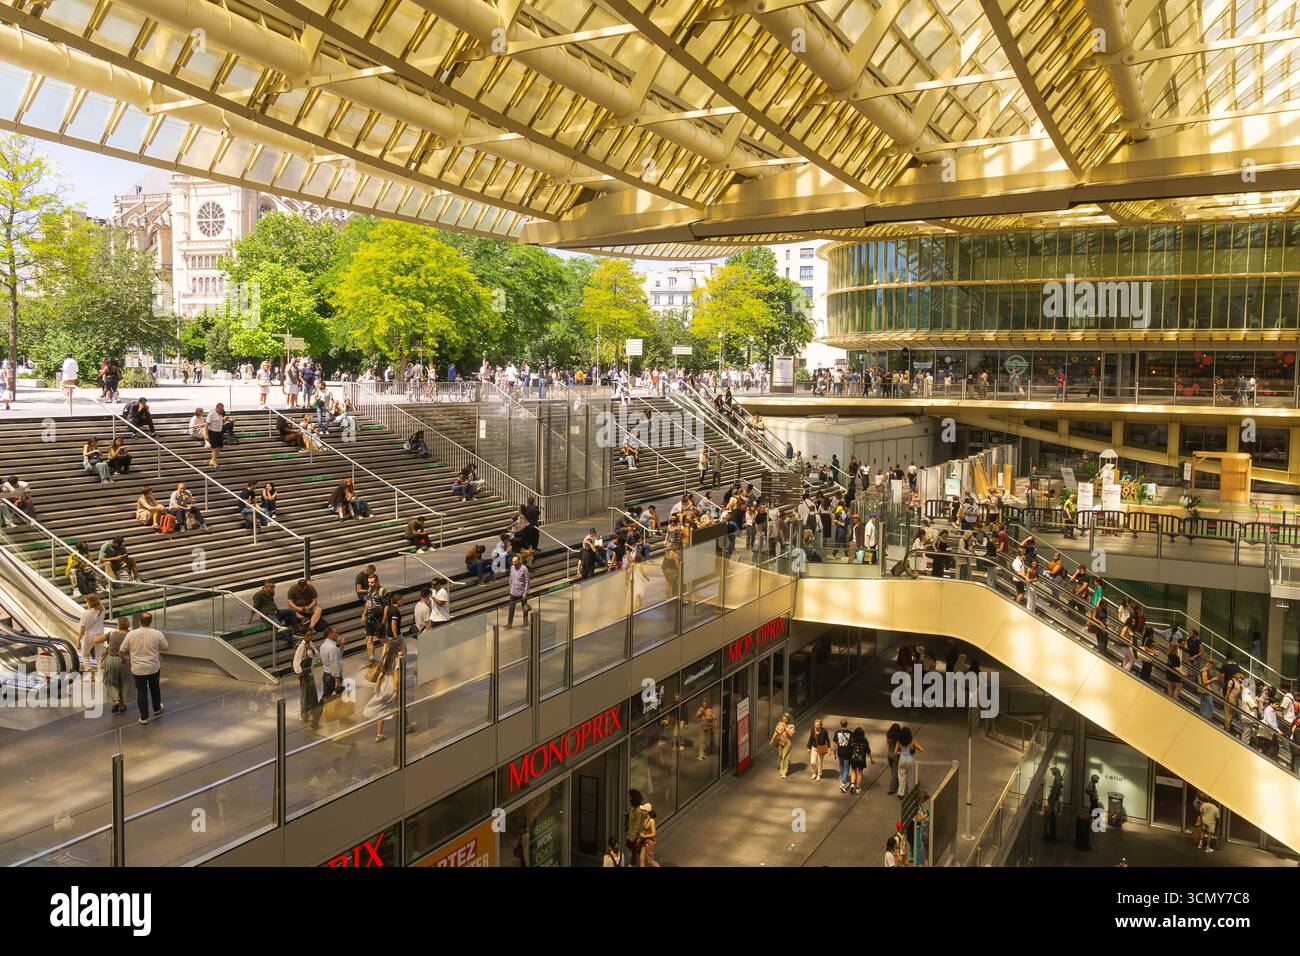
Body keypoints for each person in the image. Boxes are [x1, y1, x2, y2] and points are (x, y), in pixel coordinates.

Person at [121, 612, 167, 724]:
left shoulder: (131, 634)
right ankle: (156, 708)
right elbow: (165, 647)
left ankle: (144, 717)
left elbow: (122, 650)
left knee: (141, 692)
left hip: (137, 668)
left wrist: (124, 659)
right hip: (153, 667)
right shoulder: (157, 633)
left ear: (139, 621)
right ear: (150, 621)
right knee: (155, 688)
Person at [364, 639, 401, 742]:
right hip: (391, 684)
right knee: (401, 704)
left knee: (383, 708)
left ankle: (379, 734)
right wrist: (396, 690)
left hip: (383, 683)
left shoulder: (385, 656)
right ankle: (405, 726)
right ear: (397, 648)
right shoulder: (397, 659)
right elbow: (396, 677)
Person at [97, 616, 131, 714]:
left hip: (111, 660)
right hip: (125, 660)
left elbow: (97, 640)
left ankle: (115, 700)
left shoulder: (112, 633)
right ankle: (122, 705)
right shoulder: (130, 635)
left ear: (118, 625)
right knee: (124, 682)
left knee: (110, 681)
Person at [293, 630, 321, 728]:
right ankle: (303, 714)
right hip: (304, 673)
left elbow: (317, 654)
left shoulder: (310, 644)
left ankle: (313, 711)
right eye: (307, 635)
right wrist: (299, 673)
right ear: (304, 636)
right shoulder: (301, 646)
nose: (310, 637)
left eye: (311, 635)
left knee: (312, 692)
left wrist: (311, 649)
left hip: (310, 672)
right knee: (305, 693)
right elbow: (296, 661)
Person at [76, 594, 106, 676]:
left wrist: (78, 640)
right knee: (99, 657)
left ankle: (90, 670)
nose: (86, 604)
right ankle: (100, 674)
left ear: (90, 602)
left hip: (89, 636)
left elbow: (82, 628)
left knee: (84, 655)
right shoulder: (102, 611)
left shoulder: (86, 613)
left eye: (87, 602)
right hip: (100, 636)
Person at [895, 726, 923, 796]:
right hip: (910, 760)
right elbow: (922, 749)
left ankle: (900, 793)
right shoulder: (912, 741)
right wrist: (914, 748)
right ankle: (911, 792)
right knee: (911, 777)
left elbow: (895, 752)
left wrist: (902, 753)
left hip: (902, 760)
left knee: (901, 776)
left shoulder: (899, 741)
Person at [319, 626, 344, 699]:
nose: (338, 634)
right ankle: (319, 709)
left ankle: (320, 709)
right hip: (332, 677)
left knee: (326, 697)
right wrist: (337, 680)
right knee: (332, 698)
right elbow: (334, 664)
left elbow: (338, 654)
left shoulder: (323, 645)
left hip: (326, 675)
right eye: (336, 632)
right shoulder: (332, 647)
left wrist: (342, 645)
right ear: (330, 634)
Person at [848, 726, 875, 795]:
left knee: (853, 771)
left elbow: (849, 750)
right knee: (859, 773)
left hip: (853, 758)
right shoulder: (864, 741)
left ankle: (852, 784)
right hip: (861, 760)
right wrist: (871, 759)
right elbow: (868, 751)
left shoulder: (852, 740)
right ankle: (857, 788)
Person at [507, 554, 531, 627]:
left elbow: (527, 581)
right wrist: (510, 586)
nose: (514, 563)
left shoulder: (524, 569)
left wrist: (525, 592)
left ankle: (525, 622)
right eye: (513, 562)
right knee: (511, 607)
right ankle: (509, 623)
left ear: (519, 561)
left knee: (524, 607)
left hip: (521, 591)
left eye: (515, 562)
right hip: (513, 591)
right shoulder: (512, 567)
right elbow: (511, 577)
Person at [770, 712, 795, 778]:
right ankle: (787, 764)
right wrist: (772, 739)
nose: (784, 720)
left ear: (788, 719)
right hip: (780, 742)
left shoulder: (791, 726)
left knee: (785, 757)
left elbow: (790, 734)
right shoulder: (779, 724)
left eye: (785, 719)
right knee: (781, 756)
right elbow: (776, 732)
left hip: (787, 743)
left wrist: (786, 728)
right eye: (783, 719)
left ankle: (783, 772)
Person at [626, 790, 648, 866]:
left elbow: (637, 825)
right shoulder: (633, 807)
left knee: (634, 849)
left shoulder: (638, 810)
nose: (629, 798)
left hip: (634, 834)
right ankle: (638, 860)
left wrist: (632, 836)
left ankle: (633, 863)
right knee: (633, 849)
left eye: (630, 796)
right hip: (630, 832)